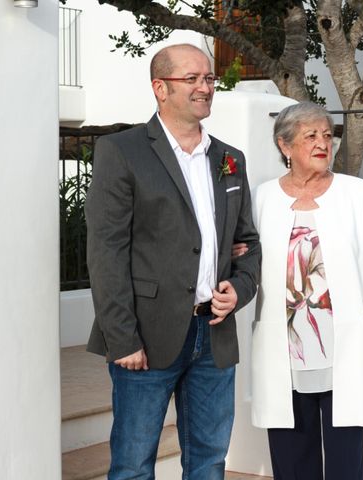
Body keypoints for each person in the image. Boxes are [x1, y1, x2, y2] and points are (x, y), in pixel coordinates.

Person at [85, 43, 261, 480]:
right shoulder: (122, 151)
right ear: (159, 88)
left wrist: (240, 289)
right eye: (193, 79)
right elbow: (106, 251)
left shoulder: (230, 159)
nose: (205, 88)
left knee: (208, 460)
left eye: (209, 79)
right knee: (133, 464)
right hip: (145, 334)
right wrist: (120, 337)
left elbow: (249, 244)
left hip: (214, 336)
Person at [250, 102, 363, 479]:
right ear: (285, 145)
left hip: (343, 344)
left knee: (346, 462)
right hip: (286, 348)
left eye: (327, 135)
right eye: (310, 136)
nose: (322, 143)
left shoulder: (356, 193)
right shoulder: (263, 197)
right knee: (292, 459)